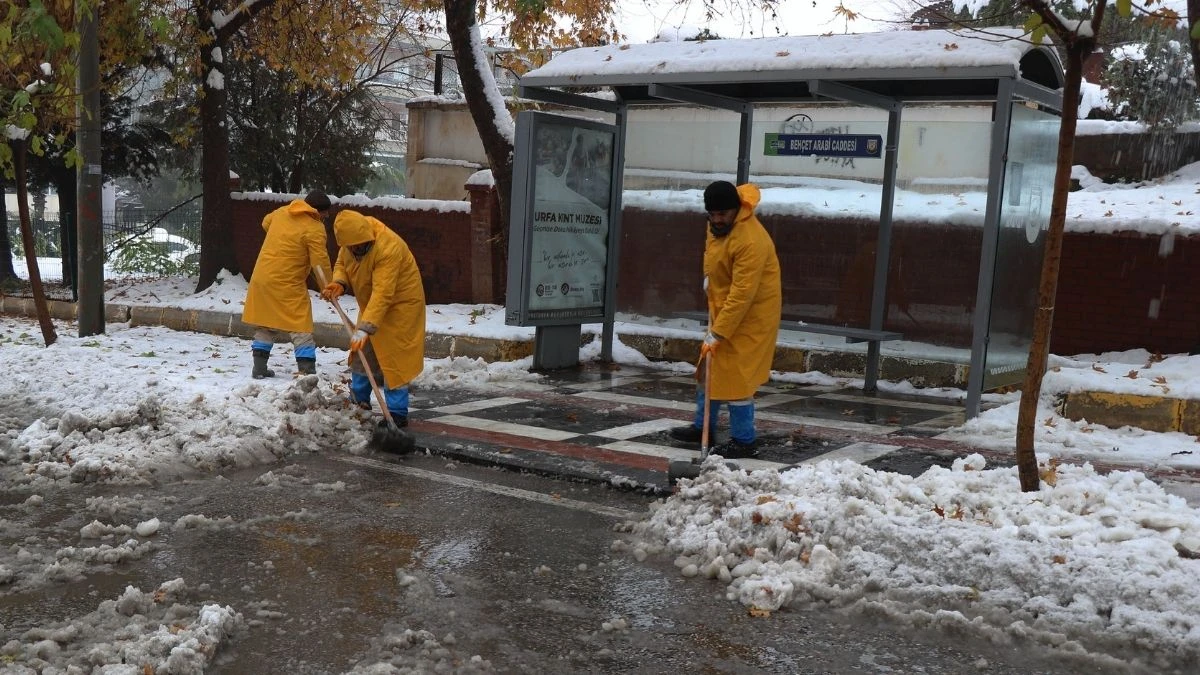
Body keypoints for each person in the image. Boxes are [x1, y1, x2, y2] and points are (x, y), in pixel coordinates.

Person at [669, 180, 782, 459]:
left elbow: (743, 294)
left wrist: (718, 333)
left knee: (736, 377)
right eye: (713, 214)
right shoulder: (718, 225)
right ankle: (703, 427)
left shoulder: (750, 240)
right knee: (709, 366)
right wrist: (710, 277)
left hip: (751, 315)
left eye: (723, 214)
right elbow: (714, 250)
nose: (717, 220)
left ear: (736, 210)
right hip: (725, 306)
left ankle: (744, 441)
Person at [320, 209, 425, 425]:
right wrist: (339, 282)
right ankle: (360, 401)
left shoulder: (388, 247)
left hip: (400, 308)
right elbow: (342, 264)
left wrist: (365, 327)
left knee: (394, 360)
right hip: (372, 307)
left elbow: (383, 293)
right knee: (362, 353)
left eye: (359, 246)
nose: (355, 250)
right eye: (351, 247)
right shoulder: (350, 240)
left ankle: (396, 413)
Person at [241, 190, 333, 379]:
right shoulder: (315, 228)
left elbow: (265, 222)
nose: (327, 216)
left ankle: (259, 368)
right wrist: (328, 286)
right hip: (288, 283)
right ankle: (307, 371)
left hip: (262, 278)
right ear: (318, 211)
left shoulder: (282, 212)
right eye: (326, 212)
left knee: (265, 324)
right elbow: (320, 263)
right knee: (300, 325)